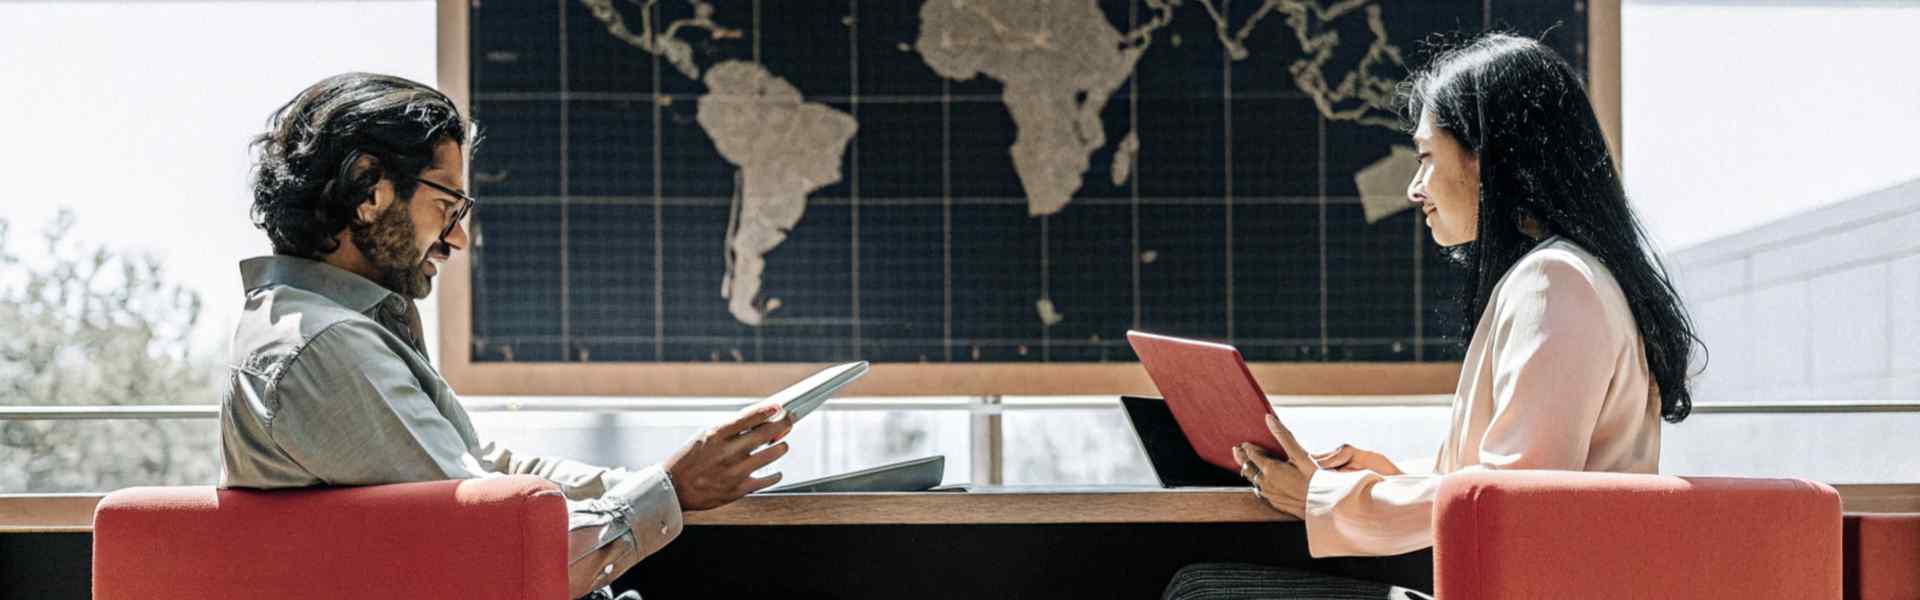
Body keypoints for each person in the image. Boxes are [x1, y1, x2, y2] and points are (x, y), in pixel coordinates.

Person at [1164, 33, 1703, 599]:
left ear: (1488, 158)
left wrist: (1324, 499)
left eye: (1425, 157)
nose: (1414, 188)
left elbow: (1511, 503)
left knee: (1202, 592)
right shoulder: (1567, 276)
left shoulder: (1557, 283)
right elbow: (1508, 485)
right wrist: (1392, 478)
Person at [218, 73, 793, 600]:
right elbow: (501, 554)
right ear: (370, 190)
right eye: (446, 205)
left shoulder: (318, 330)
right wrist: (671, 489)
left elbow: (480, 467)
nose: (458, 239)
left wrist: (660, 478)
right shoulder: (325, 349)